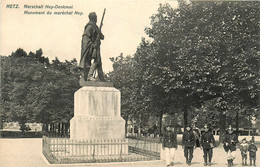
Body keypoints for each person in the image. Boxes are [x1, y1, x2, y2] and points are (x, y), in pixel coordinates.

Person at [79, 12, 105, 82]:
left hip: (96, 47)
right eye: (96, 17)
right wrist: (91, 45)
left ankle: (101, 77)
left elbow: (102, 37)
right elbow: (85, 38)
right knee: (97, 61)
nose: (97, 18)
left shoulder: (95, 27)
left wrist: (99, 32)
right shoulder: (90, 26)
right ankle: (90, 76)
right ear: (93, 18)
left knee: (99, 61)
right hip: (93, 47)